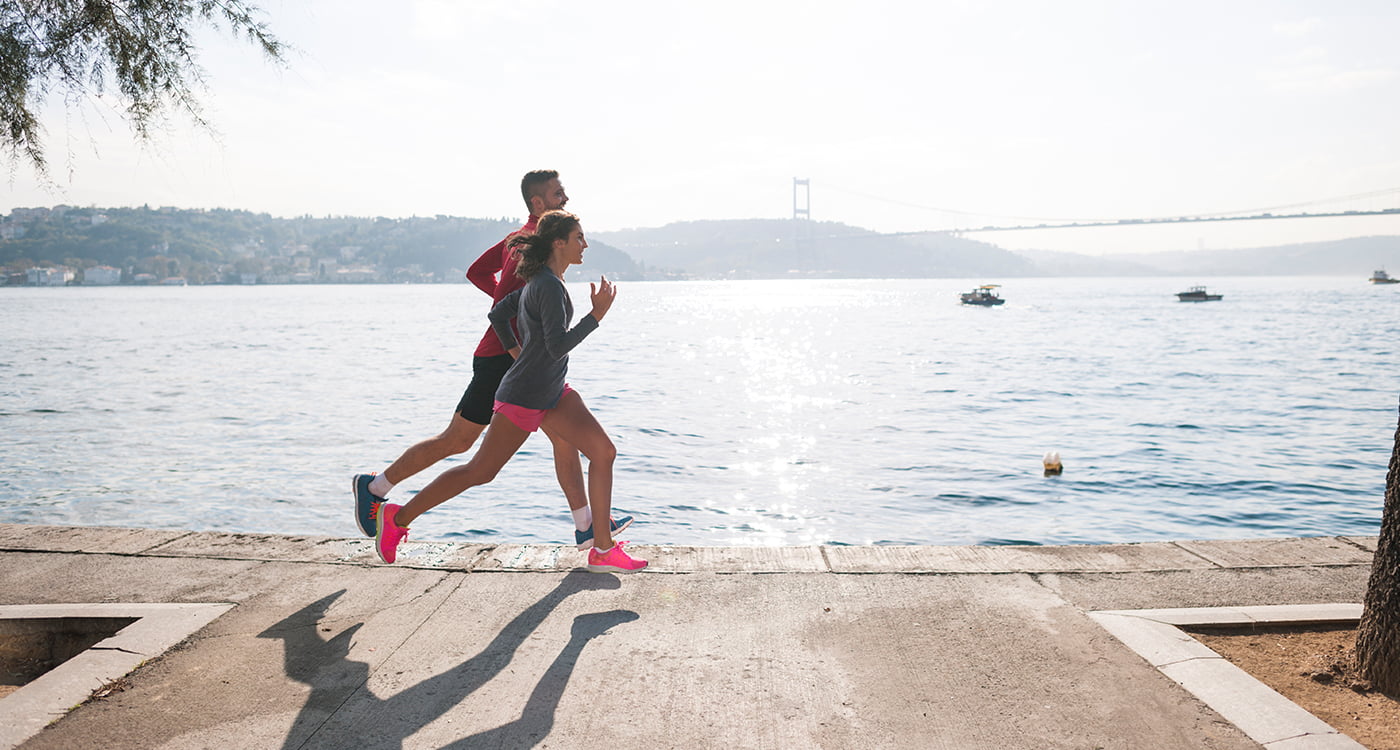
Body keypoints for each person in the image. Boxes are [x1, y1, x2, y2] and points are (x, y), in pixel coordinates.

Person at [351, 171, 630, 550]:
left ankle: (588, 528)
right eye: (557, 194)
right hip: (503, 357)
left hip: (526, 358)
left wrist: (514, 311)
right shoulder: (529, 242)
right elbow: (500, 298)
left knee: (563, 440)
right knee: (460, 443)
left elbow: (479, 274)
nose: (565, 199)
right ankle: (376, 488)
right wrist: (517, 328)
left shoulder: (523, 240)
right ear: (538, 203)